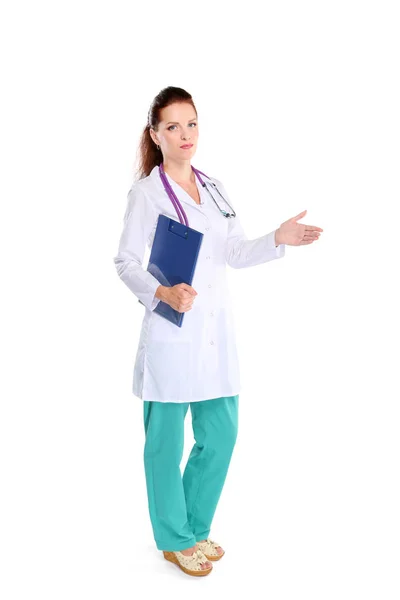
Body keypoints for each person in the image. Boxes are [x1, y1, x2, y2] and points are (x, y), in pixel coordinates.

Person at [113, 86, 323, 576]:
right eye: (172, 126)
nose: (184, 135)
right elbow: (123, 261)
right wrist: (161, 293)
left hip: (213, 336)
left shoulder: (215, 187)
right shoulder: (145, 193)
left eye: (191, 124)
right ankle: (173, 538)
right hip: (171, 331)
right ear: (155, 134)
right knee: (165, 443)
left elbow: (233, 252)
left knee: (221, 434)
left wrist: (278, 238)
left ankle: (195, 527)